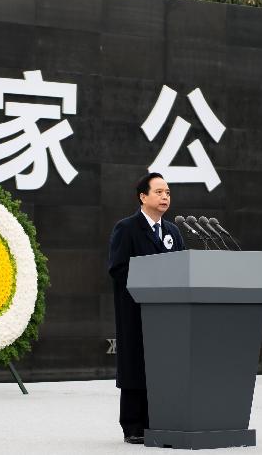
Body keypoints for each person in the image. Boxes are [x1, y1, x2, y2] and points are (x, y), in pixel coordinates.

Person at [107, 172, 185, 444]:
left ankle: (159, 420)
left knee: (162, 366)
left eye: (168, 193)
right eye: (159, 192)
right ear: (143, 196)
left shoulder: (173, 232)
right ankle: (133, 426)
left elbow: (182, 270)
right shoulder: (126, 228)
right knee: (136, 365)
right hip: (136, 311)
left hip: (168, 313)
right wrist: (151, 277)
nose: (165, 197)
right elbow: (118, 268)